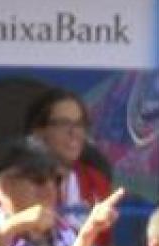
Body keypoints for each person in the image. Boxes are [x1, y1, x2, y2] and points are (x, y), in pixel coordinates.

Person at [25, 87, 112, 238]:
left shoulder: (96, 182)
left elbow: (103, 243)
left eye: (79, 124)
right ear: (38, 131)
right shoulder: (13, 179)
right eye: (63, 124)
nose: (74, 133)